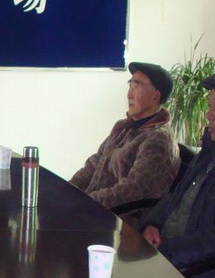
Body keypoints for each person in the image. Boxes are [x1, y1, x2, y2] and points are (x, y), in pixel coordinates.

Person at [142, 67, 215, 278]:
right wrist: (152, 223)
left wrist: (168, 252)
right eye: (209, 105)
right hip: (169, 262)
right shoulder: (210, 152)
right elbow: (174, 196)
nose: (209, 114)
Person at [70, 62, 180, 228]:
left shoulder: (158, 140)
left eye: (137, 86)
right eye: (130, 85)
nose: (129, 94)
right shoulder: (122, 127)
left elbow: (132, 191)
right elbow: (93, 164)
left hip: (120, 224)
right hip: (93, 210)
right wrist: (68, 190)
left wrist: (85, 202)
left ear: (155, 96)